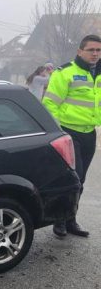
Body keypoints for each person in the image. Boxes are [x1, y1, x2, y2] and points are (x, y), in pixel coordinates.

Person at [42, 34, 101, 238]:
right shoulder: (65, 72)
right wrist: (57, 132)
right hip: (68, 132)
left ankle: (71, 219)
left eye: (99, 50)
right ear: (80, 51)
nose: (95, 54)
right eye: (91, 50)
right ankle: (59, 219)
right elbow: (50, 104)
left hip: (89, 132)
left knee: (81, 179)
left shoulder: (99, 75)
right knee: (72, 178)